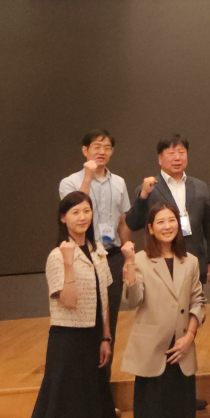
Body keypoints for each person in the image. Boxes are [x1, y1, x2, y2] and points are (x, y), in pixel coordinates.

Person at [25, 191, 116, 418]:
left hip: (91, 339)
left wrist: (105, 337)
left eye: (86, 211)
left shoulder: (98, 251)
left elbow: (104, 298)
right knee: (61, 415)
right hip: (67, 341)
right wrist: (68, 263)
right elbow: (69, 301)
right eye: (75, 212)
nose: (82, 217)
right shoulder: (57, 256)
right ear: (63, 218)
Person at [121, 203, 205, 418]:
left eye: (172, 220)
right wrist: (129, 264)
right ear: (150, 228)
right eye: (161, 222)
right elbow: (132, 300)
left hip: (182, 357)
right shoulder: (140, 260)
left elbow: (198, 301)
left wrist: (190, 336)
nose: (167, 226)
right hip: (151, 360)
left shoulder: (190, 261)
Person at [58, 129, 130, 381]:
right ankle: (83, 384)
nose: (102, 152)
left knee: (109, 322)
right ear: (84, 150)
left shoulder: (119, 182)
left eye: (107, 147)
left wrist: (128, 257)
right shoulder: (69, 182)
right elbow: (77, 207)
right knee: (85, 320)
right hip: (82, 257)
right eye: (96, 147)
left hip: (112, 255)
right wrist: (88, 176)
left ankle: (103, 387)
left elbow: (123, 221)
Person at [127, 135, 210, 286]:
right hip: (160, 262)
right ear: (160, 159)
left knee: (195, 300)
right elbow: (133, 223)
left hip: (194, 259)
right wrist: (143, 196)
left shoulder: (200, 187)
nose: (177, 158)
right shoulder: (149, 188)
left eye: (181, 152)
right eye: (171, 153)